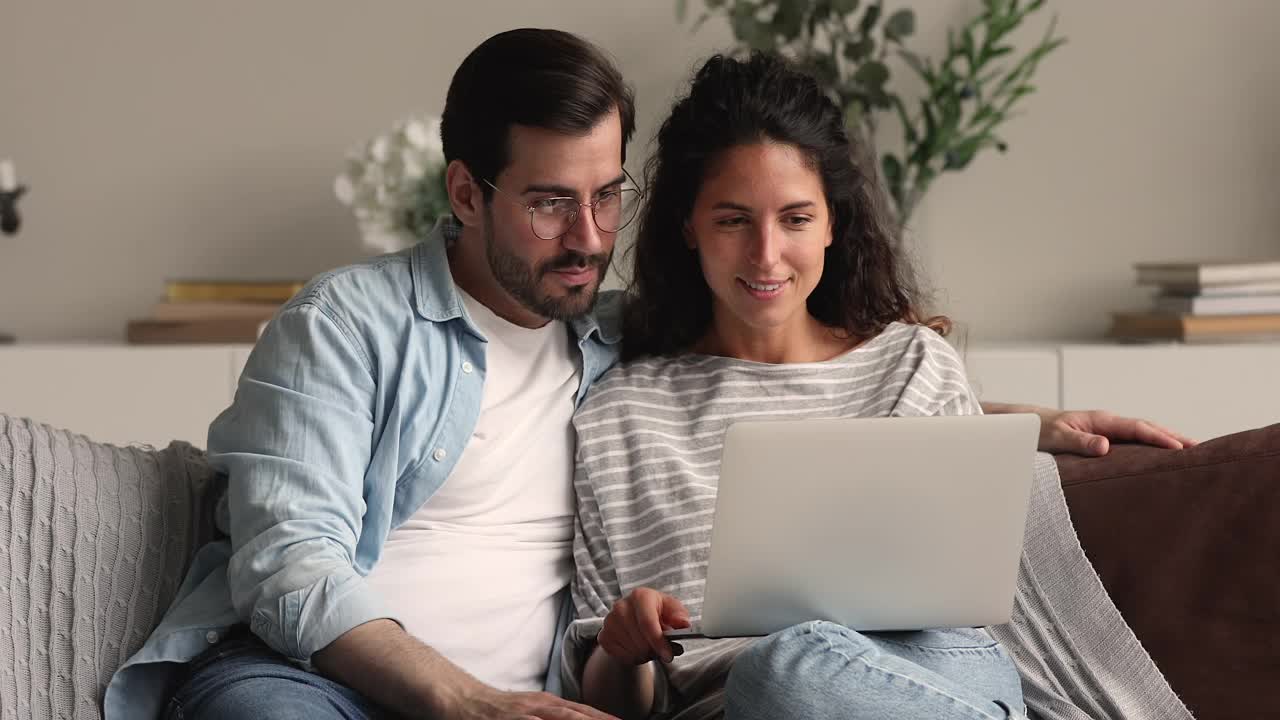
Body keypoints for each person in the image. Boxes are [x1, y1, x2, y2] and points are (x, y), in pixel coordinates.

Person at [104, 29, 1191, 720]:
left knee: (797, 667)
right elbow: (290, 562)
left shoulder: (618, 333)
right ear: (466, 192)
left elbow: (795, 369)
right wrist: (475, 702)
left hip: (875, 676)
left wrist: (1015, 427)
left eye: (604, 195)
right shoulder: (356, 324)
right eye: (545, 201)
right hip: (331, 685)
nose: (585, 237)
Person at [563, 52, 1137, 720]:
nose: (767, 254)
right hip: (754, 701)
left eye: (796, 219)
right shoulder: (621, 418)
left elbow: (974, 610)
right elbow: (609, 704)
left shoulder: (912, 366)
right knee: (780, 669)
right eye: (733, 219)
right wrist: (623, 644)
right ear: (687, 225)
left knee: (794, 661)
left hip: (937, 670)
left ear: (834, 222)